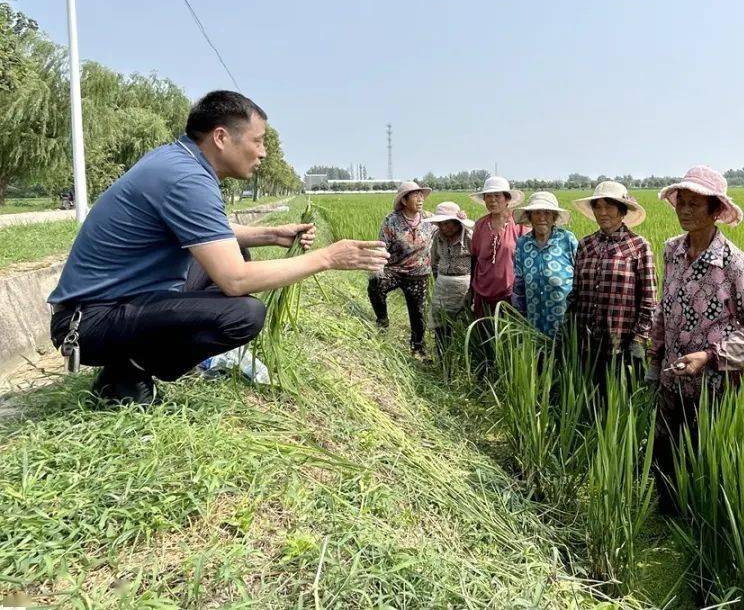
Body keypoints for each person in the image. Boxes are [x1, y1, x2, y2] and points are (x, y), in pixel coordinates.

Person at [47, 90, 389, 406]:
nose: (263, 152)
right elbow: (235, 281)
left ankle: (138, 360)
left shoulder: (179, 161)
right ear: (221, 137)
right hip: (88, 322)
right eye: (258, 140)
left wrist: (271, 234)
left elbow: (211, 232)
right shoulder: (187, 178)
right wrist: (328, 257)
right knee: (244, 314)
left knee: (235, 251)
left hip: (116, 302)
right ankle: (126, 372)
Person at [647, 166, 744, 503]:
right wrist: (654, 359)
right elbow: (664, 307)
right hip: (672, 378)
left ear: (716, 210)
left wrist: (710, 356)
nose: (685, 210)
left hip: (715, 386)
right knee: (667, 452)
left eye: (695, 204)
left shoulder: (734, 263)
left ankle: (702, 524)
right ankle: (668, 515)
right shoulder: (672, 251)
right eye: (681, 202)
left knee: (705, 459)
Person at [568, 181, 656, 383]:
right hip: (587, 341)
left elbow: (649, 299)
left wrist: (639, 338)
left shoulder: (639, 246)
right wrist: (568, 325)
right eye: (597, 207)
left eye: (609, 206)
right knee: (589, 396)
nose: (602, 212)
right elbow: (576, 292)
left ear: (622, 211)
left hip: (622, 342)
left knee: (621, 401)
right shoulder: (585, 245)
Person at [368, 180, 436, 358]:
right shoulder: (392, 221)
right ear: (404, 201)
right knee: (376, 282)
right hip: (395, 270)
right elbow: (382, 245)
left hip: (419, 274)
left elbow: (449, 227)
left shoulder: (430, 219)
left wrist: (459, 217)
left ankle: (417, 348)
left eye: (421, 195)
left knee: (418, 313)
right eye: (415, 195)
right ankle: (382, 321)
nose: (420, 198)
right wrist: (378, 266)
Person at [469, 175, 527, 371]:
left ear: (507, 198)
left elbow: (526, 260)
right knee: (485, 336)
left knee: (507, 337)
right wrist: (471, 291)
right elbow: (475, 258)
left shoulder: (519, 226)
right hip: (482, 292)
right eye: (488, 196)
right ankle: (486, 372)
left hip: (509, 294)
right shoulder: (480, 225)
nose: (493, 200)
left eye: (497, 196)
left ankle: (507, 373)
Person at [511, 192, 578, 339]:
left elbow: (580, 280)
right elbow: (519, 285)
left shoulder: (567, 240)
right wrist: (519, 317)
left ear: (554, 216)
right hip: (533, 322)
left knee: (564, 359)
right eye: (537, 213)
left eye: (547, 213)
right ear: (529, 216)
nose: (542, 217)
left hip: (564, 323)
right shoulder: (523, 243)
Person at [424, 201, 474, 360]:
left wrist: (473, 289)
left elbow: (478, 262)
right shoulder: (437, 237)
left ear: (458, 223)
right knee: (440, 323)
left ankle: (463, 356)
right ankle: (442, 356)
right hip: (443, 285)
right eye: (442, 224)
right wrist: (438, 279)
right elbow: (434, 260)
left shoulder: (469, 237)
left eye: (449, 224)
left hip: (464, 284)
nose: (446, 228)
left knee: (464, 321)